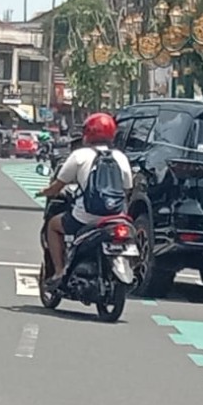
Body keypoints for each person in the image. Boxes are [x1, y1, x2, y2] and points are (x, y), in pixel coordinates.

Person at [37, 112, 132, 285]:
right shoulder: (121, 157)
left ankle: (59, 271)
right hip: (117, 217)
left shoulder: (79, 156)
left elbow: (57, 187)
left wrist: (44, 192)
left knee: (52, 226)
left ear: (88, 133)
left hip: (85, 217)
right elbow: (127, 189)